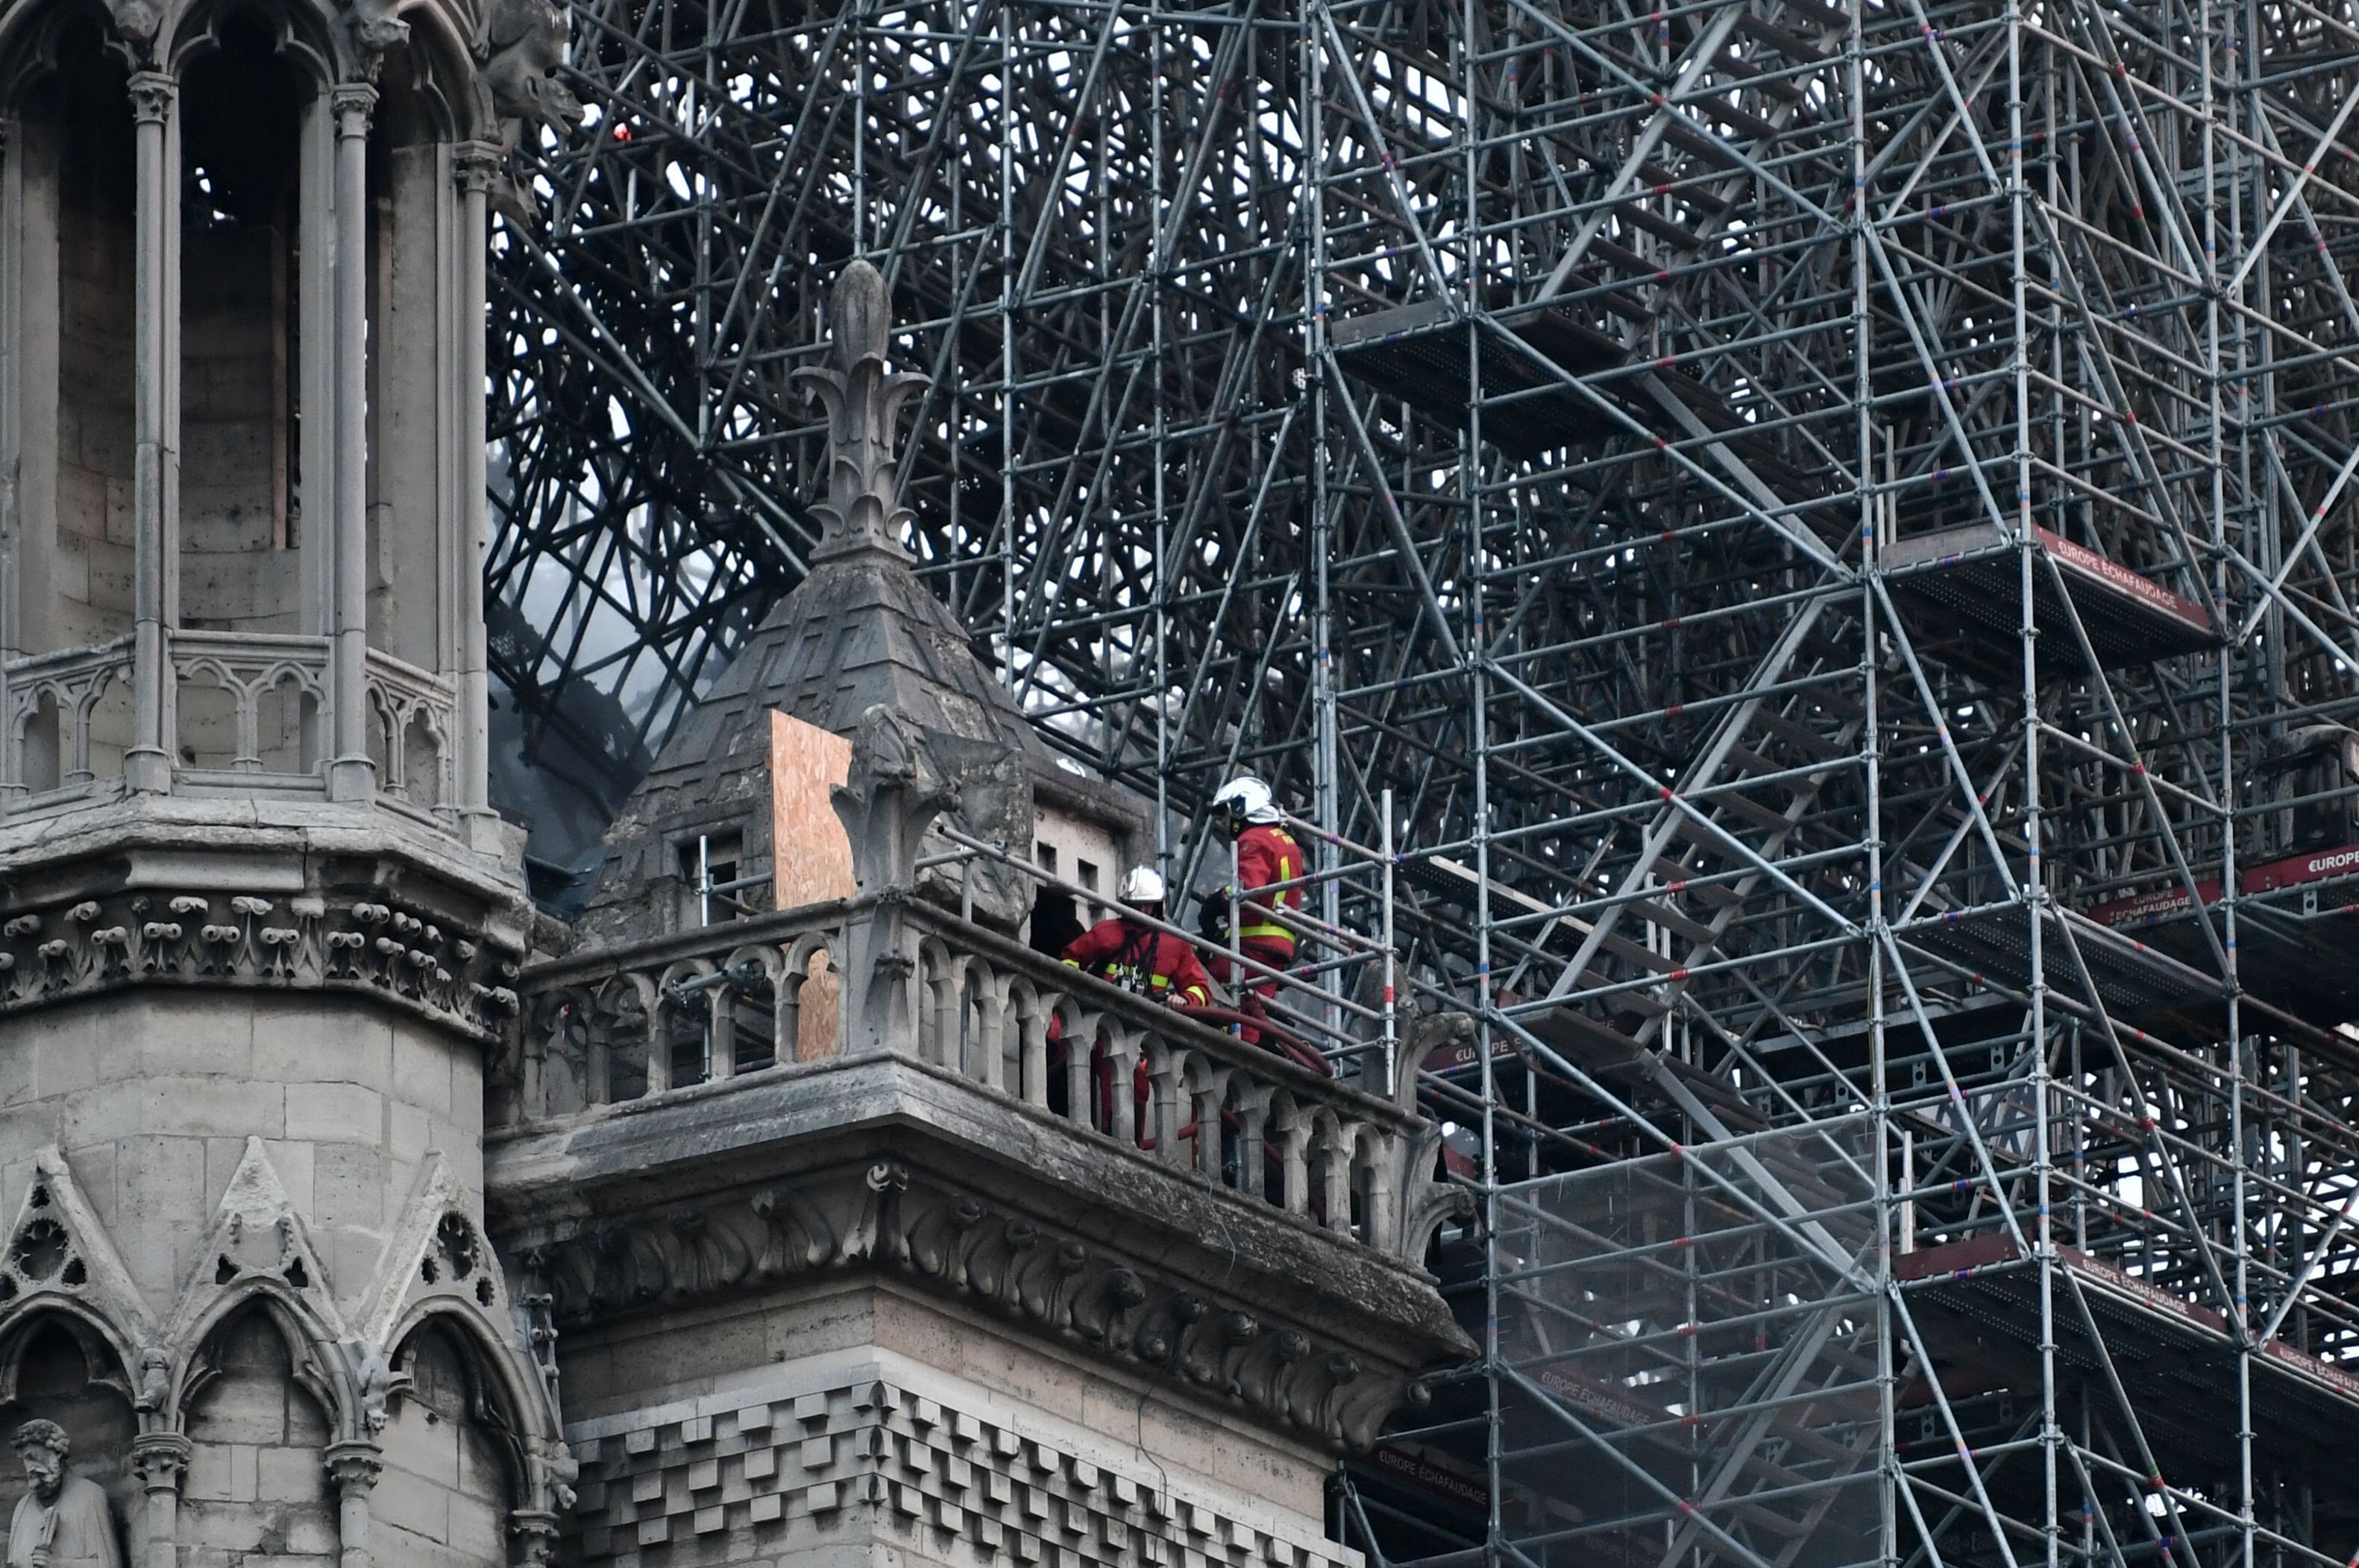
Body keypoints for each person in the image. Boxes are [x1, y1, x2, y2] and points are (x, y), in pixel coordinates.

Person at [1199, 775, 1303, 1046]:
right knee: (1253, 1007)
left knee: (1207, 984)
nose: (1224, 824)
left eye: (1225, 815)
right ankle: (1255, 1049)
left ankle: (1231, 1050)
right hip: (1277, 947)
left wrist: (1215, 903)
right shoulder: (1286, 841)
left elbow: (1247, 890)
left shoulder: (1254, 839)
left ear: (1241, 807)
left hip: (1253, 941)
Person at [1060, 868, 1210, 1009]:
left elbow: (1200, 989)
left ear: (1158, 905)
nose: (1143, 911)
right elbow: (1070, 959)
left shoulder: (1175, 944)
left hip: (1150, 1019)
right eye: (1137, 906)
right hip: (1101, 1011)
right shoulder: (1106, 931)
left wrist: (1185, 999)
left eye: (1148, 905)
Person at [6, 1420, 121, 1568]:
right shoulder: (22, 1507)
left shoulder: (90, 1497)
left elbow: (109, 1565)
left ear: (57, 1453)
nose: (29, 1468)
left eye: (33, 1457)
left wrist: (58, 1564)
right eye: (24, 1460)